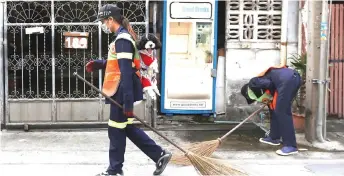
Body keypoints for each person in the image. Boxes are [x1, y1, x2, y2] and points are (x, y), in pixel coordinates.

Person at [85, 4, 172, 176]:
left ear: (111, 20)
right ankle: (159, 154)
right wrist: (100, 64)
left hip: (121, 90)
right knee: (124, 128)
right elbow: (119, 64)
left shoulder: (122, 40)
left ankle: (115, 170)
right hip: (119, 90)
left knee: (115, 129)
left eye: (103, 21)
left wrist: (127, 101)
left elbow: (126, 71)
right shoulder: (122, 38)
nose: (103, 25)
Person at [240, 65, 301, 156]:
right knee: (274, 109)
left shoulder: (253, 82)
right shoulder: (262, 84)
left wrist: (271, 95)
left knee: (282, 111)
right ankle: (274, 137)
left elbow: (270, 84)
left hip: (286, 81)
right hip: (292, 79)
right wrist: (271, 98)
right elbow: (270, 86)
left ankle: (290, 146)